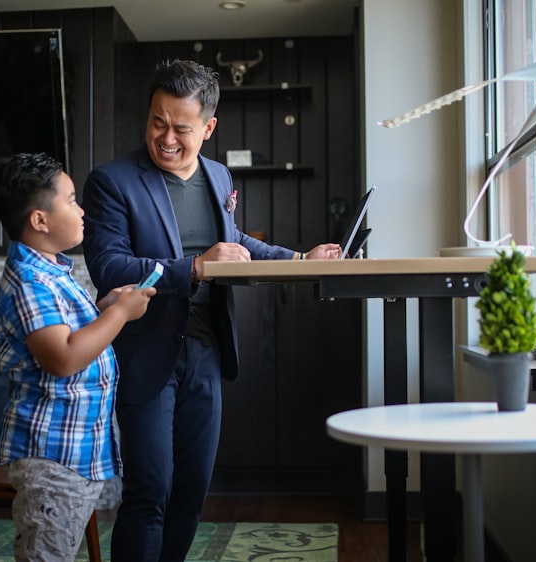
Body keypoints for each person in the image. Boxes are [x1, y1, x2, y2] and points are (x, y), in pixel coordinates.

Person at [81, 59, 342, 561]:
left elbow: (234, 244)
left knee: (192, 491)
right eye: (158, 121)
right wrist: (194, 269)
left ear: (208, 127)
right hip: (146, 353)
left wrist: (297, 259)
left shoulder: (219, 176)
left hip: (205, 351)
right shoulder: (112, 181)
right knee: (150, 490)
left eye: (182, 127)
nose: (167, 137)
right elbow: (110, 267)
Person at [0, 152, 155, 562]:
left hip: (72, 451)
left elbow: (68, 333)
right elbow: (62, 358)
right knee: (46, 554)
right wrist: (119, 314)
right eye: (72, 200)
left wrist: (104, 308)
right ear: (40, 221)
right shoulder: (30, 281)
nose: (82, 211)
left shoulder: (51, 271)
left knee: (58, 548)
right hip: (51, 456)